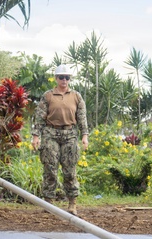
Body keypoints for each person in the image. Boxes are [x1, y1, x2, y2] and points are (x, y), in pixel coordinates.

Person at [31, 64, 89, 216]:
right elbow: (40, 117)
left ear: (70, 79)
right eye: (61, 77)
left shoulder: (76, 96)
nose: (64, 80)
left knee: (70, 170)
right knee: (50, 169)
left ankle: (72, 203)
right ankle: (48, 202)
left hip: (69, 134)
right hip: (51, 133)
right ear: (56, 78)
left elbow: (82, 117)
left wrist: (85, 135)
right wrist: (36, 136)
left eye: (67, 77)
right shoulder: (48, 96)